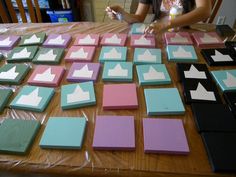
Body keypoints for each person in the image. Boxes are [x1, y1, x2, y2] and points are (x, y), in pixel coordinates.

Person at [106, 0, 211, 34]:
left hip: (184, 31)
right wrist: (121, 13)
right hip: (157, 32)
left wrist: (167, 24)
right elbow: (138, 18)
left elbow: (205, 11)